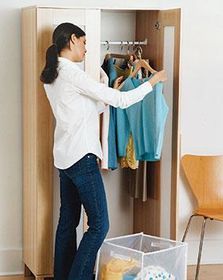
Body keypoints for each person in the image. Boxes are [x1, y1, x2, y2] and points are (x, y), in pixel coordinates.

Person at [40, 22, 167, 280]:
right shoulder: (73, 74)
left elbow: (85, 111)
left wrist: (113, 91)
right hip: (82, 158)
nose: (87, 49)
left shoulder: (54, 75)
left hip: (65, 159)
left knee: (68, 223)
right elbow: (121, 103)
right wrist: (152, 81)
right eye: (85, 43)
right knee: (99, 224)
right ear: (73, 40)